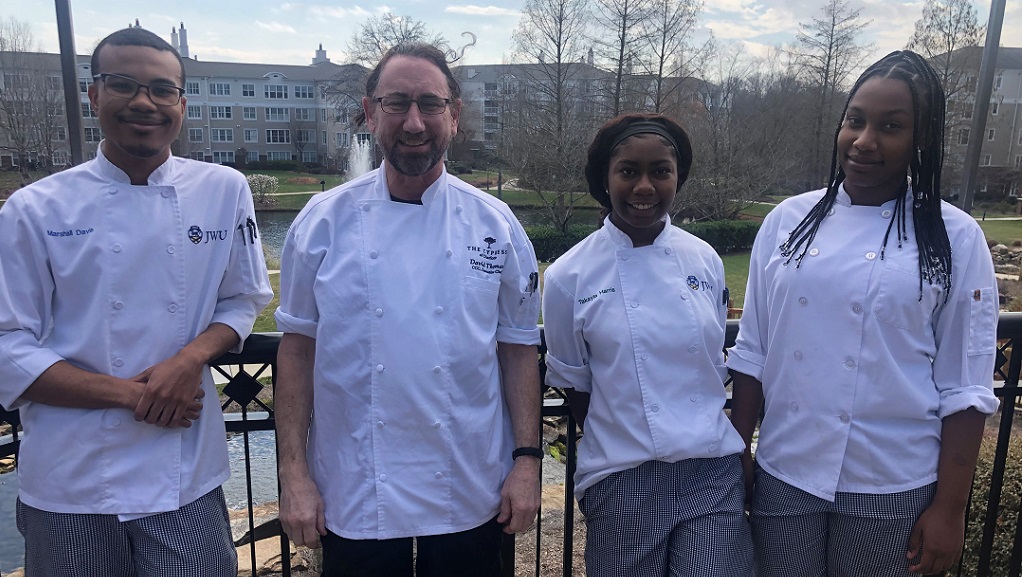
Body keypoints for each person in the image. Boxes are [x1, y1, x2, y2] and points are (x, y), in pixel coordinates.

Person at [0, 27, 273, 576]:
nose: (144, 102)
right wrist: (130, 395)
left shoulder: (224, 190)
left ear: (181, 103)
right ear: (94, 96)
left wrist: (187, 361)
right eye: (123, 85)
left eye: (162, 89)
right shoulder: (34, 210)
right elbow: (7, 344)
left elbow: (243, 298)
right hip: (69, 480)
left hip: (185, 474)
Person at [274, 42, 542, 577]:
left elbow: (518, 350)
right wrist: (294, 475)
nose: (414, 123)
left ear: (455, 116)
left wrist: (528, 464)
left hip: (470, 483)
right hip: (355, 484)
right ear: (370, 113)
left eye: (430, 104)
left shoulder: (496, 225)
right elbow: (297, 352)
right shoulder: (322, 222)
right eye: (396, 103)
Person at [728, 50, 999, 577]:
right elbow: (754, 351)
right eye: (855, 120)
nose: (864, 140)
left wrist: (949, 509)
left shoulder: (955, 237)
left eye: (890, 127)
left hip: (892, 484)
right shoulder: (788, 221)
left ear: (921, 140)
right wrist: (739, 451)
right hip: (787, 475)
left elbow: (965, 386)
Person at [542, 113, 754, 577]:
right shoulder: (567, 277)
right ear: (606, 179)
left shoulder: (704, 259)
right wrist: (625, 428)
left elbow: (712, 355)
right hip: (623, 474)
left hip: (709, 467)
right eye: (628, 171)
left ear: (677, 177)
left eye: (660, 171)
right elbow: (574, 384)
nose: (644, 186)